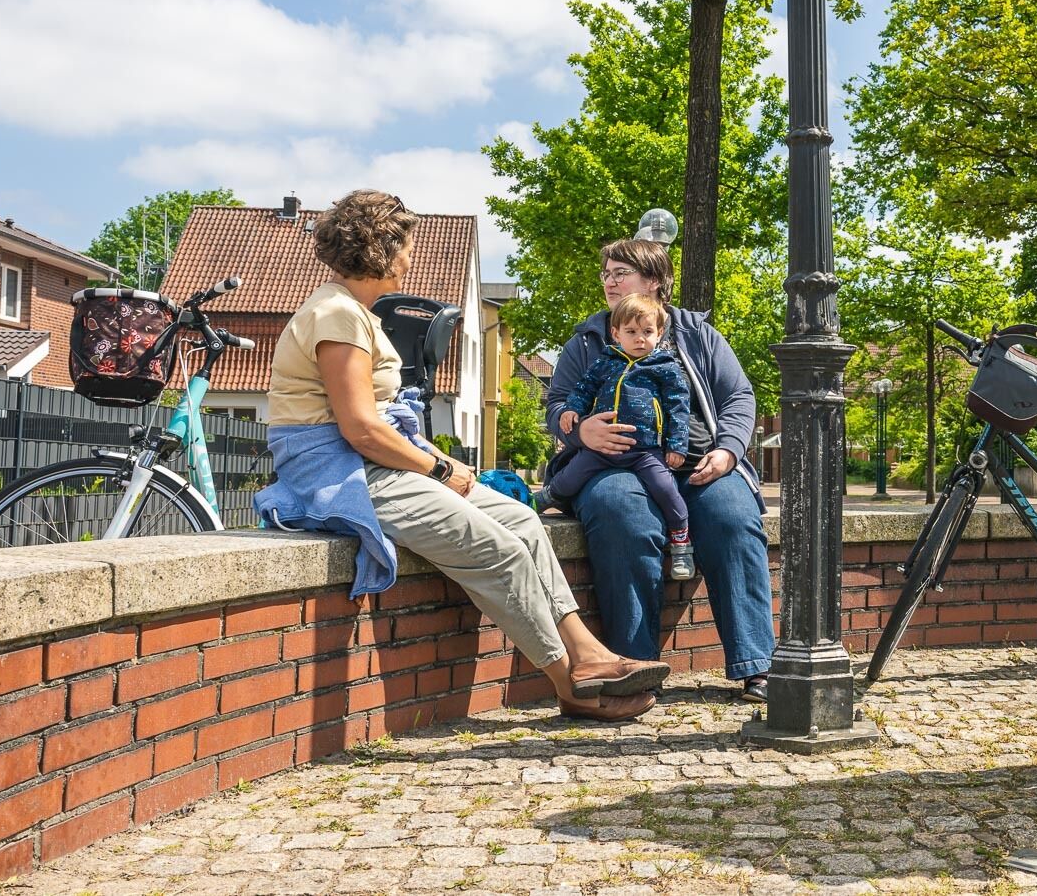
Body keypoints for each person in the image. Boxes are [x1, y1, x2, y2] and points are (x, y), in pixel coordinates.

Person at [256, 189, 669, 722]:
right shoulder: (336, 315)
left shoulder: (354, 312)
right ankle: (570, 684)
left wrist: (437, 459)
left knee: (523, 521)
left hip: (377, 461)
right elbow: (360, 429)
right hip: (345, 472)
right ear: (382, 249)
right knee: (500, 549)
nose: (411, 259)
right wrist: (439, 468)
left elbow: (378, 419)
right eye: (407, 247)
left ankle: (587, 652)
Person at [546, 238, 776, 702]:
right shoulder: (588, 339)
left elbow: (738, 397)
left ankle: (757, 666)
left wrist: (729, 451)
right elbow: (557, 403)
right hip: (614, 466)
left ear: (654, 281)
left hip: (698, 463)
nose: (609, 281)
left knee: (733, 518)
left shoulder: (697, 334)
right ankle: (636, 666)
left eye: (620, 273)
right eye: (606, 273)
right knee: (619, 512)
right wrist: (580, 432)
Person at [540, 292, 696, 580]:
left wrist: (677, 445)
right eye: (631, 332)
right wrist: (571, 410)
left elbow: (678, 407)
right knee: (571, 476)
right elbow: (585, 388)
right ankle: (545, 498)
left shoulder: (664, 367)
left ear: (659, 333)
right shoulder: (606, 361)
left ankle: (681, 541)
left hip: (645, 450)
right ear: (616, 334)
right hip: (603, 448)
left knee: (666, 490)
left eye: (647, 332)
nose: (640, 339)